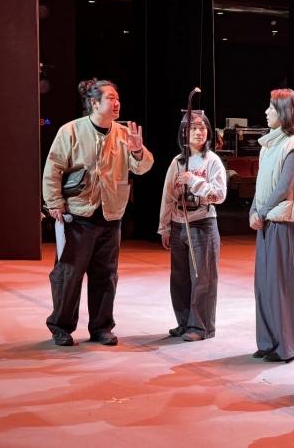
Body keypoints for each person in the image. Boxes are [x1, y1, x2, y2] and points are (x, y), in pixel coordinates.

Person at [43, 78, 154, 347]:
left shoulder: (124, 134)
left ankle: (101, 327)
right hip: (77, 216)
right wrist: (54, 202)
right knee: (69, 274)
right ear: (94, 102)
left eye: (118, 99)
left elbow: (143, 168)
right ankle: (61, 326)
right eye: (111, 98)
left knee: (106, 275)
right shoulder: (71, 130)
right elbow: (53, 168)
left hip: (110, 216)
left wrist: (138, 151)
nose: (117, 103)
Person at [249, 88, 294, 363]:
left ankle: (285, 346)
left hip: (282, 222)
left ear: (285, 112)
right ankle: (268, 342)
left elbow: (283, 187)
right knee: (263, 286)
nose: (266, 112)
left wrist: (262, 212)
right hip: (267, 220)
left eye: (271, 108)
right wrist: (254, 210)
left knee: (280, 286)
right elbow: (261, 185)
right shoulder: (270, 144)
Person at [158, 112, 226, 341]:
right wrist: (164, 227)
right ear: (184, 133)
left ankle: (201, 327)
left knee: (202, 278)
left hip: (203, 224)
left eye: (202, 128)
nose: (198, 132)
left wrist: (194, 181)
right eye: (193, 128)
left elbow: (219, 194)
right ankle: (184, 322)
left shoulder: (212, 161)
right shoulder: (177, 162)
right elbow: (168, 195)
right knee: (179, 278)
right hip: (178, 225)